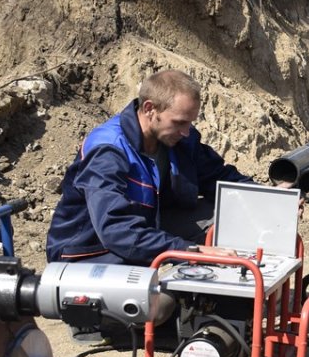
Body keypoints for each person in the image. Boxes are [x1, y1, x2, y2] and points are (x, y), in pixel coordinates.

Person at [46, 69, 255, 266]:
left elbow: (219, 178)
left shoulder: (176, 140)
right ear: (149, 109)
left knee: (226, 212)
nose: (186, 131)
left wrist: (269, 197)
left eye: (189, 123)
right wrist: (191, 252)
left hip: (146, 228)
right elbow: (115, 230)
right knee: (161, 296)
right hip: (90, 250)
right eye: (180, 122)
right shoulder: (108, 151)